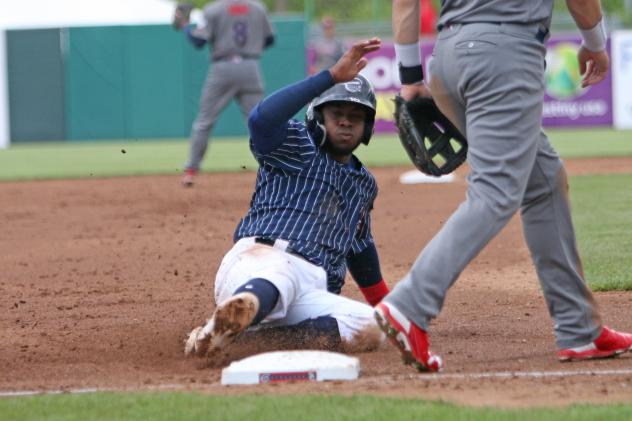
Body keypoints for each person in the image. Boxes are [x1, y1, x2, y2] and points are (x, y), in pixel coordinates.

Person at [375, 0, 632, 372]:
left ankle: (580, 328)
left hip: (447, 56)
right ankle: (409, 305)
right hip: (504, 54)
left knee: (543, 179)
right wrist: (594, 43)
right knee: (494, 192)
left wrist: (411, 75)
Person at [184, 38, 392, 358]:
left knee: (372, 327)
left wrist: (390, 311)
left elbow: (361, 251)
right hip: (261, 260)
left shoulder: (363, 184)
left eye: (356, 115)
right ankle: (221, 328)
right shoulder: (296, 145)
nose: (347, 121)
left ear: (366, 128)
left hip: (311, 288)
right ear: (318, 117)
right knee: (278, 275)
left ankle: (243, 341)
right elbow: (260, 120)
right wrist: (329, 78)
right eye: (337, 112)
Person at [179, 0, 275, 187]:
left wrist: (184, 26)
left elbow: (198, 41)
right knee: (259, 123)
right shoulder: (257, 7)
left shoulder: (213, 9)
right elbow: (270, 39)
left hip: (222, 68)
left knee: (204, 121)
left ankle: (191, 171)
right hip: (251, 67)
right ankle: (275, 171)